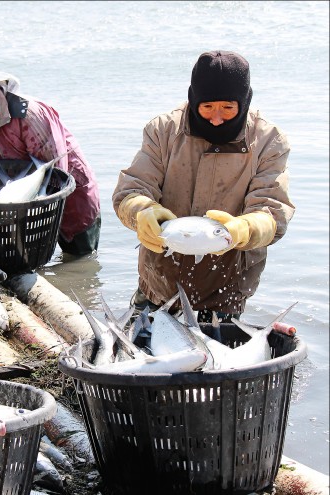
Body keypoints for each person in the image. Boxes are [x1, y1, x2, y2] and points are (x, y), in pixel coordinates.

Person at [112, 50, 294, 321]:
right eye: (207, 107)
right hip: (161, 273)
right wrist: (141, 212)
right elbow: (131, 189)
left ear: (243, 102)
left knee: (216, 355)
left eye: (228, 108)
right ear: (193, 99)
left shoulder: (269, 139)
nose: (217, 118)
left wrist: (245, 229)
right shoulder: (163, 130)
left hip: (228, 279)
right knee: (144, 345)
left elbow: (272, 211)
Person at [0, 66, 101, 255]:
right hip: (13, 201)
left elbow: (56, 169)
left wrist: (29, 207)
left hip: (70, 190)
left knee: (80, 259)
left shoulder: (28, 114)